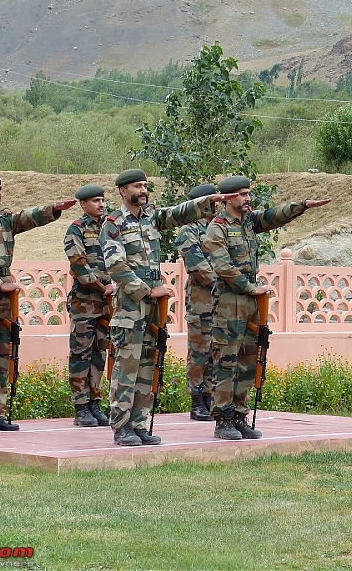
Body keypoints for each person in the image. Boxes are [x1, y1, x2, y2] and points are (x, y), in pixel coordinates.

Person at [100, 169, 236, 447]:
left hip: (153, 308)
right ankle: (121, 427)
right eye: (137, 186)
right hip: (130, 308)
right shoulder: (112, 223)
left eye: (145, 185)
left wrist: (210, 199)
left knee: (148, 365)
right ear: (123, 191)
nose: (143, 190)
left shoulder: (152, 217)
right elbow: (116, 266)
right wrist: (147, 290)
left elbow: (178, 212)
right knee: (127, 368)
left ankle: (138, 424)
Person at [203, 175, 331, 440]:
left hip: (250, 300)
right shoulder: (218, 228)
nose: (248, 198)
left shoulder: (249, 221)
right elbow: (222, 268)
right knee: (227, 360)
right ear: (227, 198)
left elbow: (276, 216)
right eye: (242, 194)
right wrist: (251, 288)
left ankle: (239, 415)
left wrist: (303, 204)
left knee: (249, 359)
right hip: (229, 300)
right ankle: (223, 420)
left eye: (248, 193)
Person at [0, 172, 76, 432]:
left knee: (2, 355)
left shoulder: (5, 221)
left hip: (5, 298)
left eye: (0, 188)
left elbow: (28, 217)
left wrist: (53, 209)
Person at [64, 184, 115, 428]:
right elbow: (78, 263)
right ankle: (81, 406)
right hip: (85, 302)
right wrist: (100, 286)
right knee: (80, 354)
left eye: (102, 201)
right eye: (95, 201)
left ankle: (95, 402)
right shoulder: (77, 229)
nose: (101, 205)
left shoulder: (110, 226)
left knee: (99, 353)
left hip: (107, 302)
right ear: (83, 204)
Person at [175, 183, 219, 422]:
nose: (218, 205)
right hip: (202, 300)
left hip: (222, 301)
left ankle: (212, 397)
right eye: (213, 201)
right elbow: (199, 267)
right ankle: (197, 399)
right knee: (199, 351)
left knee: (216, 349)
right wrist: (228, 283)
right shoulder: (188, 232)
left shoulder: (220, 228)